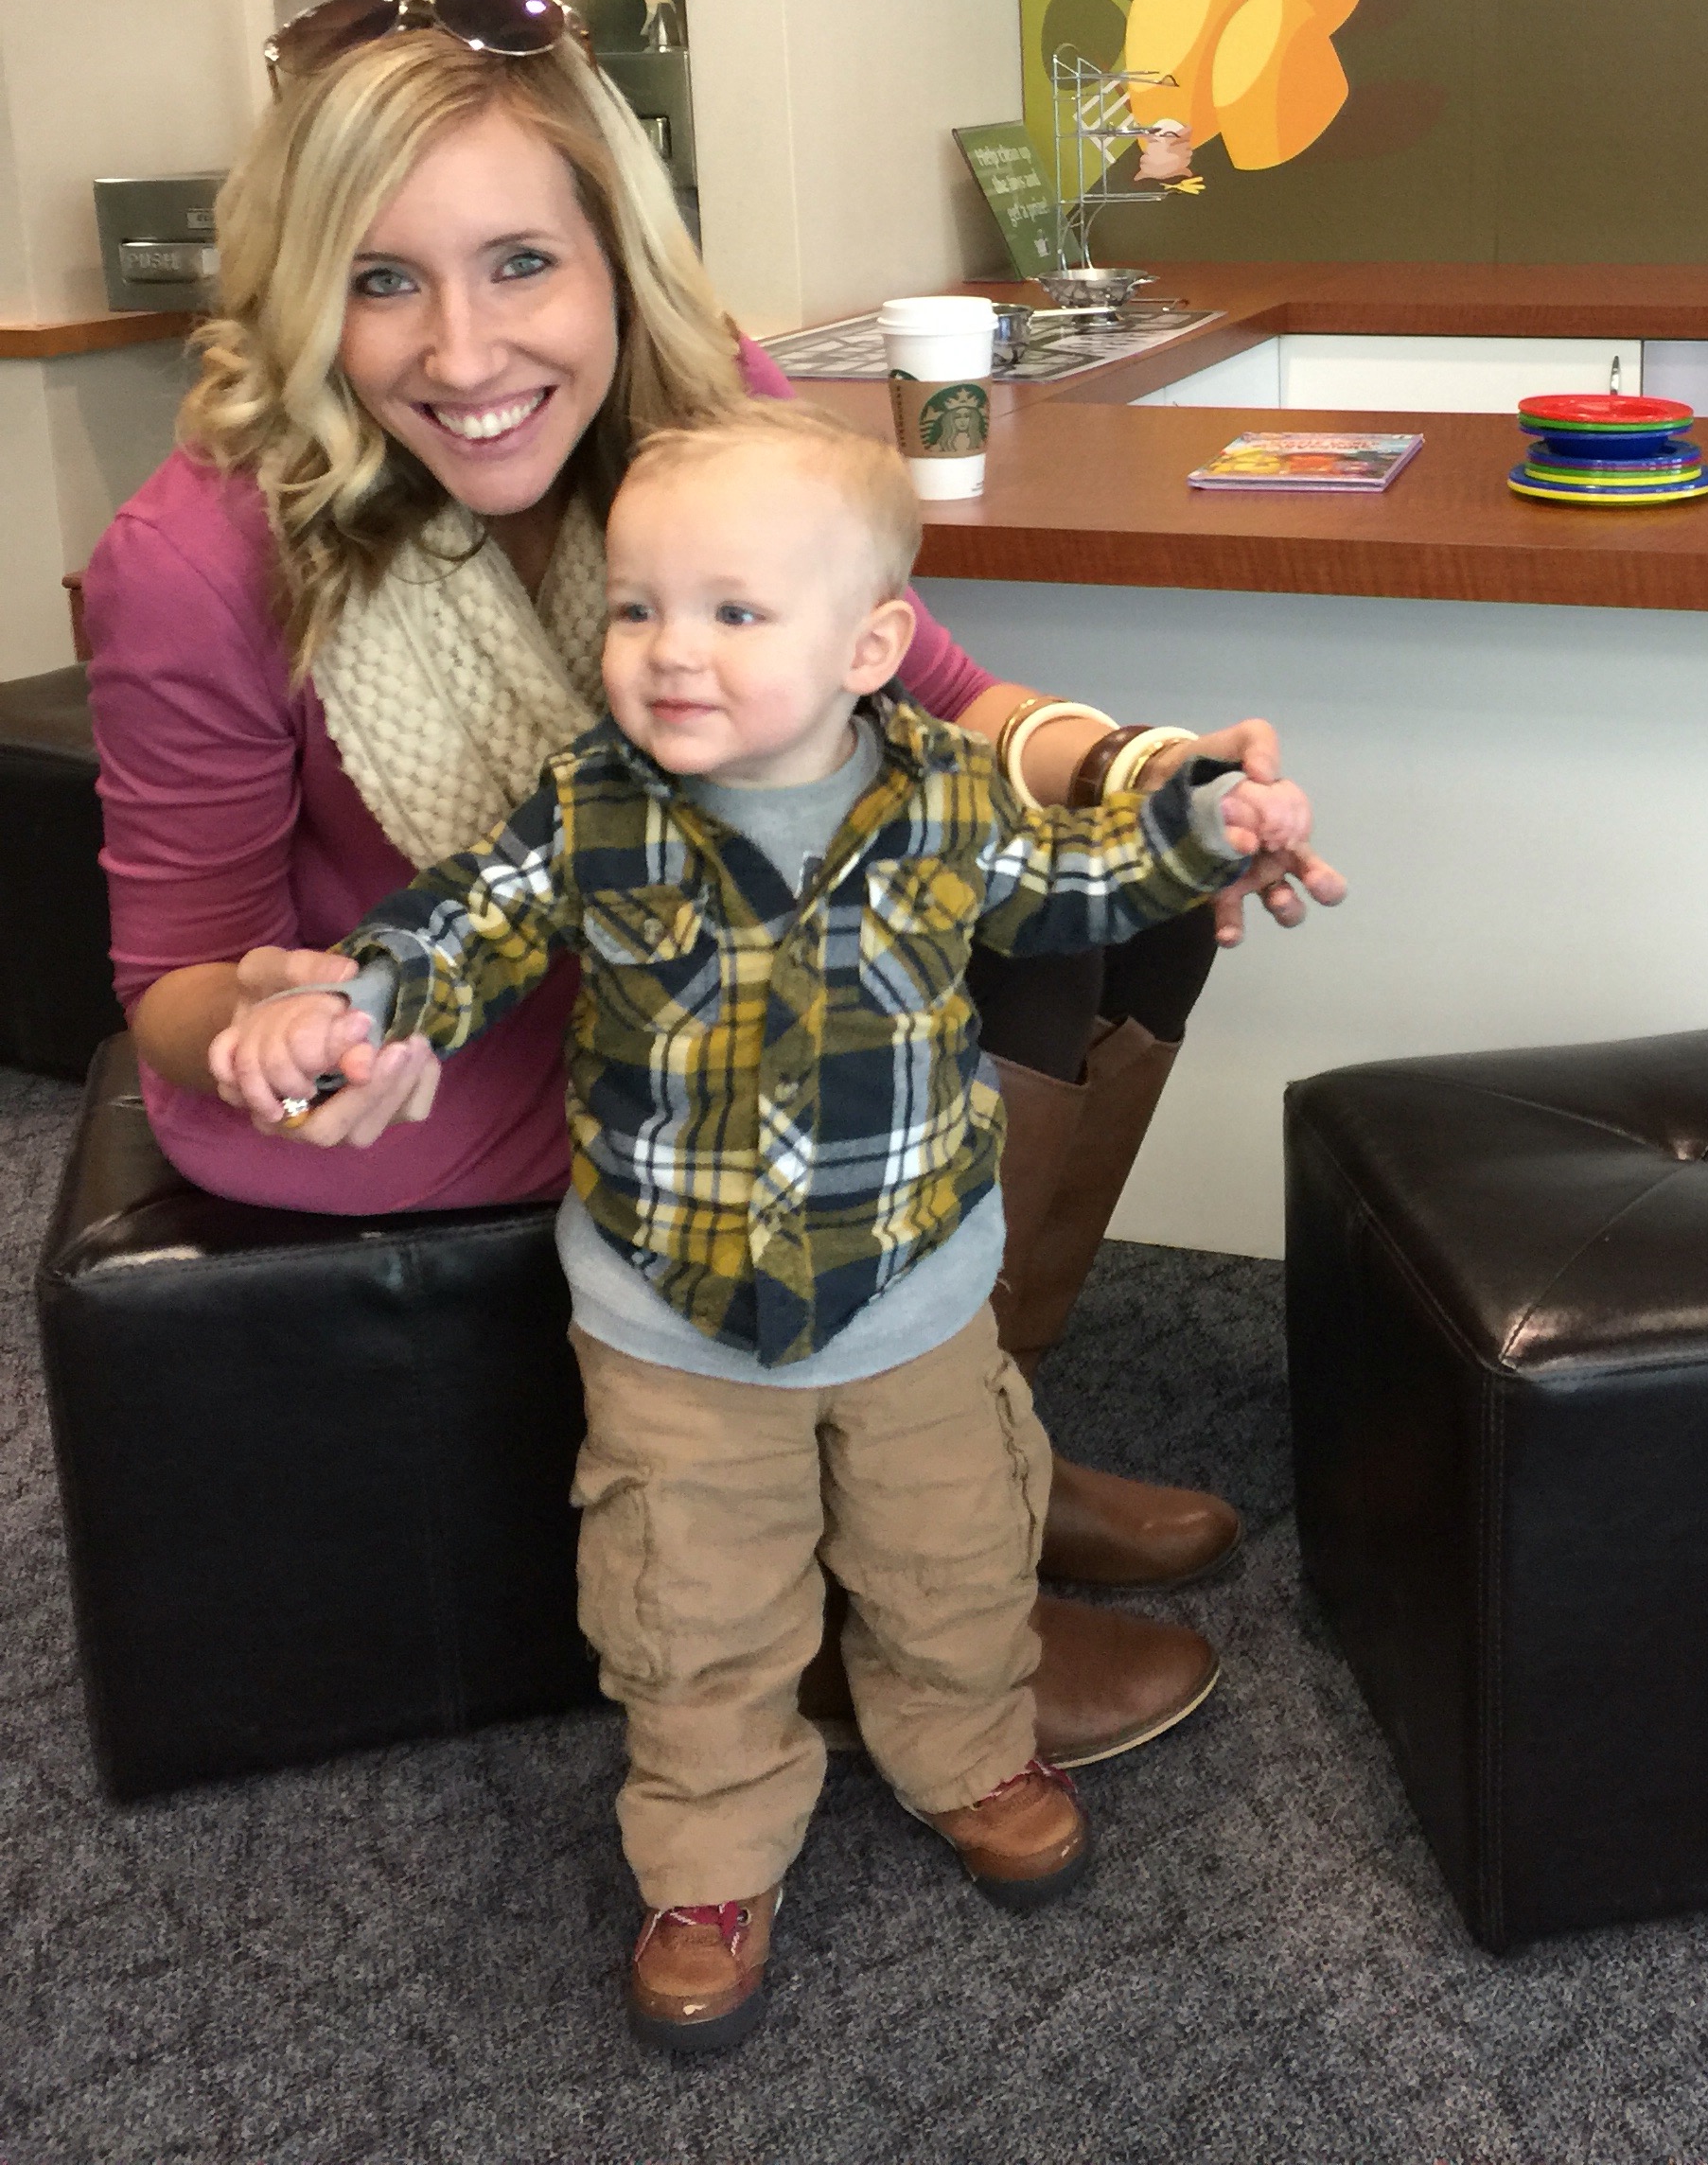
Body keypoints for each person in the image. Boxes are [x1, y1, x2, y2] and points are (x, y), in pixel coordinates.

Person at [83, 0, 1346, 1767]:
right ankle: (863, 1591)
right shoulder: (197, 554)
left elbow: (941, 704)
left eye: (521, 263)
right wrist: (273, 1025)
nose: (463, 352)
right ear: (304, 296)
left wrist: (1157, 778)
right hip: (427, 1041)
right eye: (381, 281)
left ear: (614, 257)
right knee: (923, 955)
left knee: (1107, 912)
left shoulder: (704, 418)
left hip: (659, 947)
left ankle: (960, 1437)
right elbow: (172, 974)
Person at [209, 399, 1318, 2051]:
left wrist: (1200, 825)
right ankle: (710, 1857)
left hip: (916, 1295)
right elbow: (466, 927)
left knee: (952, 1558)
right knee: (686, 1609)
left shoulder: (945, 796)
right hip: (670, 1322)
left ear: (869, 646)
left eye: (735, 612)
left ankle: (968, 1752)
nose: (671, 650)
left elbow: (1070, 887)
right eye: (637, 608)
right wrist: (355, 1004)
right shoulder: (592, 805)